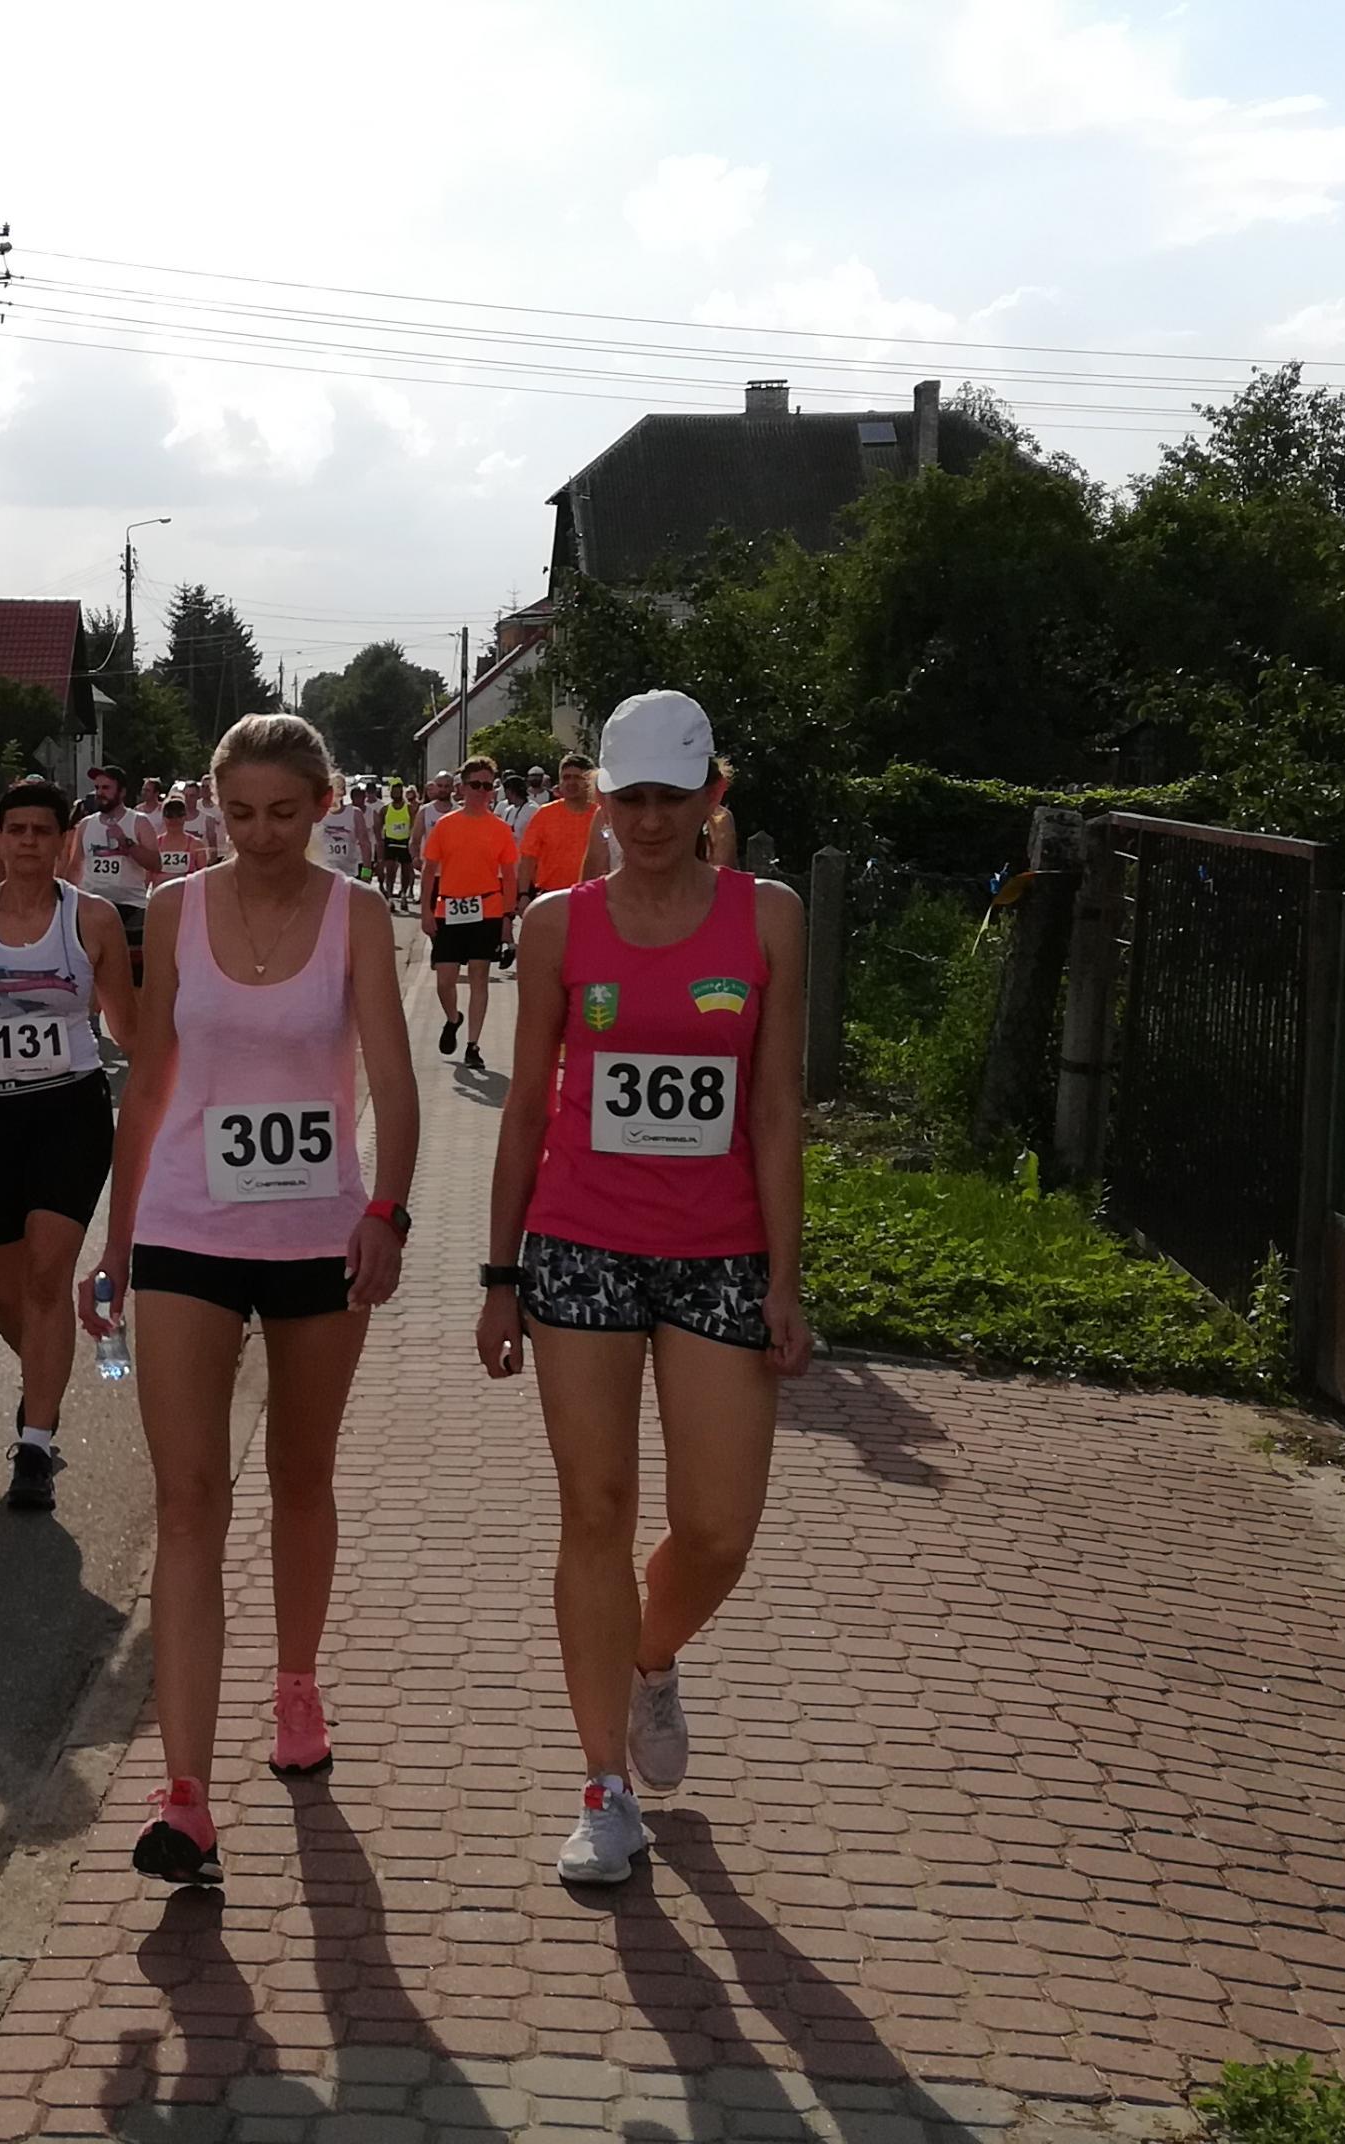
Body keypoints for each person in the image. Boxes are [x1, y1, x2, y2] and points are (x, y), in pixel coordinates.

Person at [473, 690, 811, 1885]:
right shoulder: (557, 925)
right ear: (602, 801)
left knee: (718, 1526)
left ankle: (648, 1656)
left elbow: (775, 1107)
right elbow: (526, 1104)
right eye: (631, 799)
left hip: (719, 1250)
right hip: (580, 1243)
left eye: (674, 797)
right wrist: (499, 1275)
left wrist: (786, 1275)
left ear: (712, 795)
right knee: (595, 1510)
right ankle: (602, 1788)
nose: (652, 819)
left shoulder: (768, 916)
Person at [85, 714, 421, 1889]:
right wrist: (115, 1241)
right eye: (239, 814)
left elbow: (393, 1079)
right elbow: (148, 1083)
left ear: (324, 804)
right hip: (186, 1222)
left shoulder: (357, 915)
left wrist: (388, 1212)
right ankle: (185, 1795)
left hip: (318, 1235)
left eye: (284, 812)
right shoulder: (173, 908)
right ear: (211, 809)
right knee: (186, 1501)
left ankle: (295, 1682)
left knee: (299, 1474)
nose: (262, 834)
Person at [0, 775, 135, 1514]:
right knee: (6, 1297)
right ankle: (42, 1377)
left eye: (44, 831)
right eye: (17, 831)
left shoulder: (93, 919)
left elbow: (129, 1030)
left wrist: (170, 1100)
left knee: (46, 1279)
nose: (30, 843)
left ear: (65, 841)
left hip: (69, 1111)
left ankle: (34, 1445)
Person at [418, 756, 519, 1071]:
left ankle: (473, 1045)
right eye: (476, 785)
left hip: (487, 910)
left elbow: (510, 877)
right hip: (449, 909)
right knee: (444, 981)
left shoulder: (500, 829)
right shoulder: (445, 825)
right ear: (462, 788)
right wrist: (425, 911)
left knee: (479, 977)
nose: (482, 791)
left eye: (488, 786)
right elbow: (429, 871)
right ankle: (453, 1018)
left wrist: (507, 920)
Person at [77, 765, 151, 970]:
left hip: (131, 906)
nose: (100, 793)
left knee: (131, 970)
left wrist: (126, 843)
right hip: (93, 906)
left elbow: (155, 863)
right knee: (91, 968)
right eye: (97, 788)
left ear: (122, 792)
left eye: (106, 788)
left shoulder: (139, 822)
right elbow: (75, 866)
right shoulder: (85, 825)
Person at [517, 752, 603, 920]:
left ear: (590, 781)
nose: (571, 782)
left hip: (593, 897)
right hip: (551, 897)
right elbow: (528, 858)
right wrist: (523, 894)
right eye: (566, 777)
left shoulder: (602, 815)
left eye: (578, 777)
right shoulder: (544, 814)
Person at [378, 782, 417, 901]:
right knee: (390, 870)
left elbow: (414, 825)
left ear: (401, 793)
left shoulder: (409, 808)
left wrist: (413, 841)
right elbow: (379, 826)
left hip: (404, 842)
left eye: (398, 792)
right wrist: (380, 842)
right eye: (393, 792)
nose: (396, 794)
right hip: (390, 841)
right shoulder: (385, 809)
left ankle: (404, 893)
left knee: (406, 871)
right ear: (390, 793)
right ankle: (389, 893)